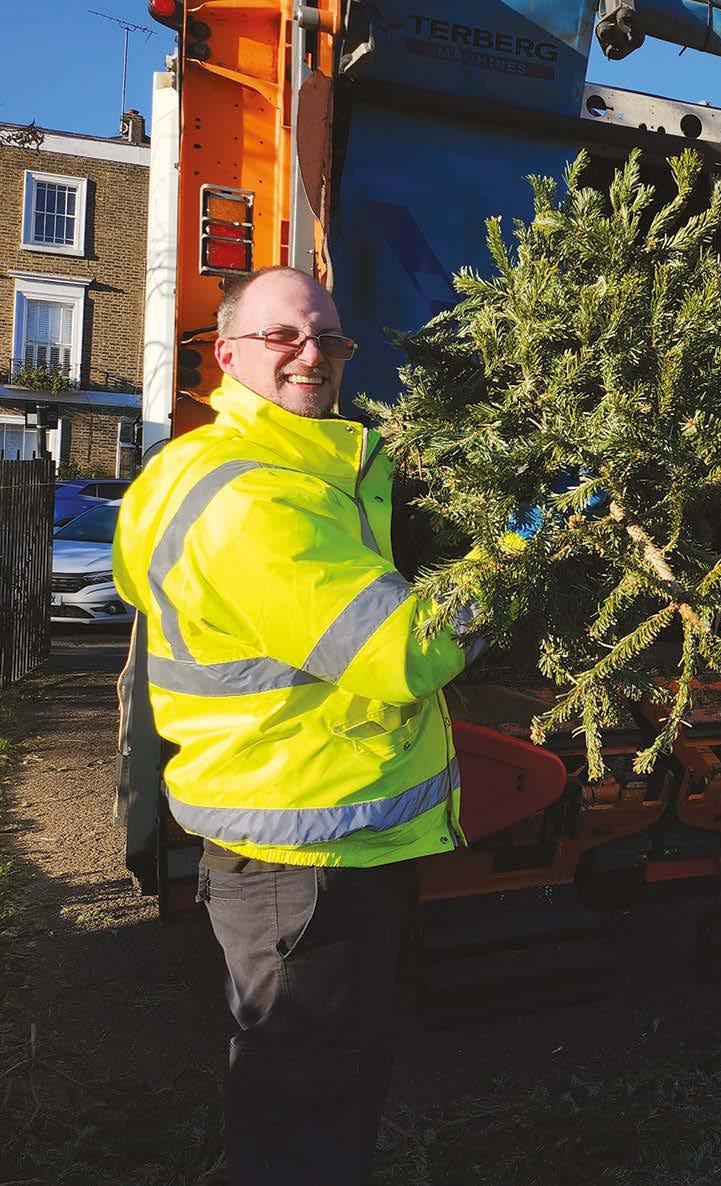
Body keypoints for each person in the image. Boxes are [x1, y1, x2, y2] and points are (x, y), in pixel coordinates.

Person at [113, 266, 476, 1185]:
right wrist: (517, 553)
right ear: (226, 354)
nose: (313, 354)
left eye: (329, 338)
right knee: (309, 1095)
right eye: (284, 335)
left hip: (300, 830)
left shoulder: (237, 467)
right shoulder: (254, 497)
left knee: (308, 1078)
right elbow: (402, 651)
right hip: (308, 852)